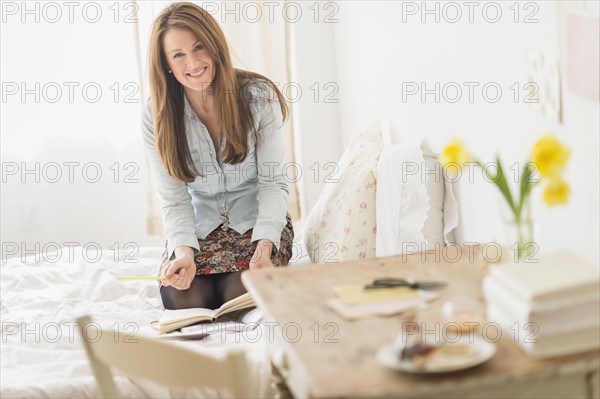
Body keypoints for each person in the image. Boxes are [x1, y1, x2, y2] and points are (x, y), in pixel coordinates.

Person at [141, 2, 294, 310]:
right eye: (179, 54)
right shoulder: (155, 116)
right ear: (166, 64)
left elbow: (273, 184)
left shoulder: (258, 97)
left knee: (242, 296)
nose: (193, 61)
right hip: (199, 230)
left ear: (214, 46)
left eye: (199, 47)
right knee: (181, 298)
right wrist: (183, 252)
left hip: (256, 225)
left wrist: (265, 247)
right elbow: (174, 200)